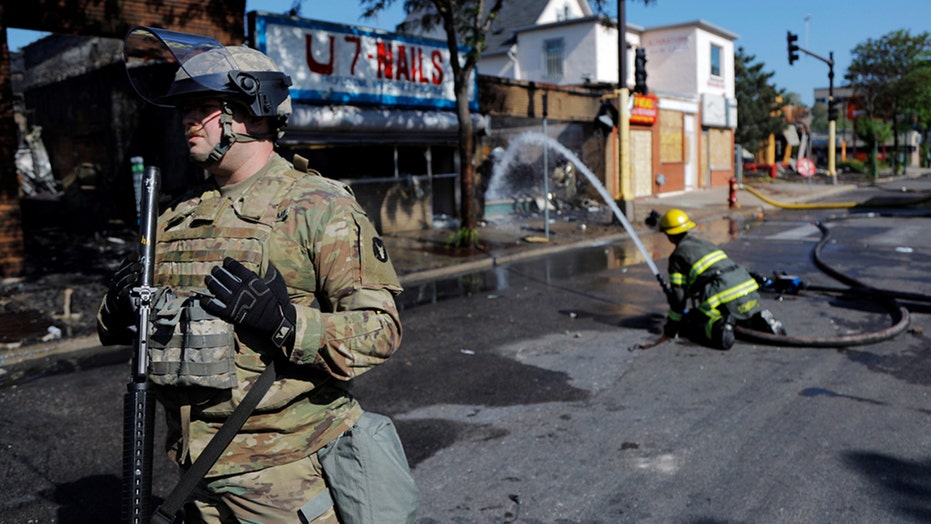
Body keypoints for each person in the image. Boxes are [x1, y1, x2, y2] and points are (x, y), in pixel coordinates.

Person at [99, 28, 418, 523]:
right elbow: (143, 327)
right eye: (184, 109)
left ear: (251, 111)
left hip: (285, 477)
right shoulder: (177, 216)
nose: (187, 119)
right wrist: (117, 311)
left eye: (202, 107)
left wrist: (286, 322)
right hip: (193, 474)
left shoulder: (318, 205)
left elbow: (381, 330)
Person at [659, 209, 785, 350]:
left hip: (725, 293)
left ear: (668, 235)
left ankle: (719, 328)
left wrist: (673, 325)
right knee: (737, 312)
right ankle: (756, 320)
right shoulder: (705, 244)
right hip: (748, 290)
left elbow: (678, 296)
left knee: (691, 322)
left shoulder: (677, 256)